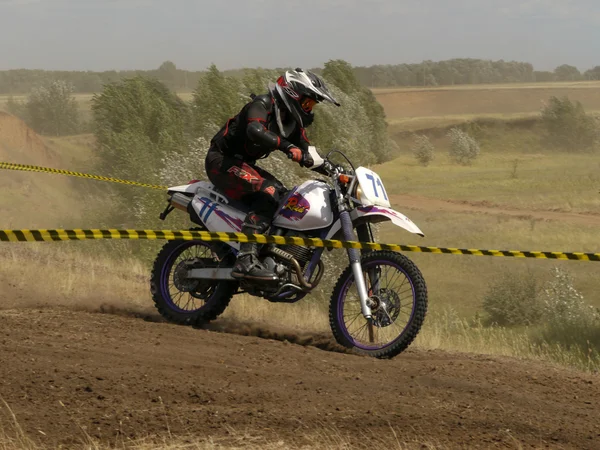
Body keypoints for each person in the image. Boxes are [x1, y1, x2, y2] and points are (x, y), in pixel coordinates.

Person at [205, 68, 339, 282]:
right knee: (268, 190)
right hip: (220, 160)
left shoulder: (291, 122)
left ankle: (268, 253)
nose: (309, 109)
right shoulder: (262, 105)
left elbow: (308, 151)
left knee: (284, 197)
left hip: (242, 164)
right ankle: (245, 262)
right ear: (293, 93)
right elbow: (255, 131)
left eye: (312, 105)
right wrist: (287, 147)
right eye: (308, 103)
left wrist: (336, 171)